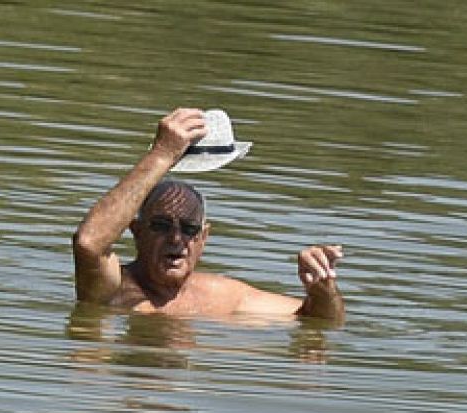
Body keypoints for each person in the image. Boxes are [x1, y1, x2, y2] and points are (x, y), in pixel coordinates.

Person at [72, 107, 346, 323]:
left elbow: (319, 322)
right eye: (161, 225)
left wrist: (322, 289)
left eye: (189, 229)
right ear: (137, 230)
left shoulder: (224, 297)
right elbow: (89, 242)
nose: (176, 238)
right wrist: (162, 154)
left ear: (204, 238)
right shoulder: (115, 288)